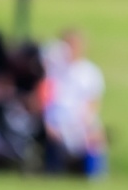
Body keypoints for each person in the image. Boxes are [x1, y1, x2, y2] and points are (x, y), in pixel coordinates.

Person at [41, 27, 106, 176]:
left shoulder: (90, 72)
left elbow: (93, 103)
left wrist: (86, 125)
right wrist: (49, 122)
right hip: (57, 121)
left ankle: (94, 175)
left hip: (81, 123)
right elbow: (47, 98)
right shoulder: (54, 71)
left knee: (95, 139)